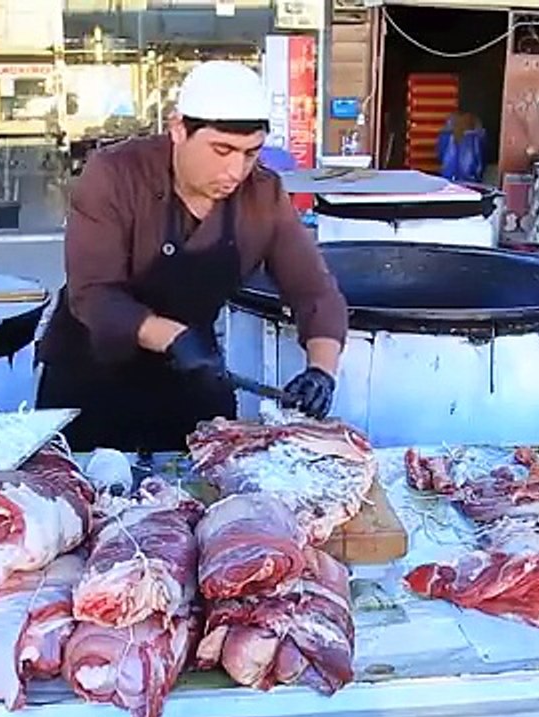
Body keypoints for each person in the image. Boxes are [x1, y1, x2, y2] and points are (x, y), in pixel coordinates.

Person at [35, 61, 348, 453]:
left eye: (251, 153)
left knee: (197, 495)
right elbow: (93, 294)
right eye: (222, 150)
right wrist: (174, 337)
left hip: (193, 375)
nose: (236, 170)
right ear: (179, 129)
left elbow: (314, 291)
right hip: (90, 376)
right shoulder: (114, 175)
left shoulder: (263, 195)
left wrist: (322, 370)